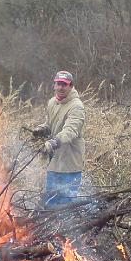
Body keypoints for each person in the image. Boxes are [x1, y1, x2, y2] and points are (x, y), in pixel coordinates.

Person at [32, 70, 86, 207]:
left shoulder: (77, 106)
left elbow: (70, 131)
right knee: (49, 203)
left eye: (64, 84)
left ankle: (71, 228)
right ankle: (49, 228)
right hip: (54, 163)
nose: (61, 87)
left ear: (71, 86)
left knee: (66, 206)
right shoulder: (52, 102)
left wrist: (53, 142)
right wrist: (41, 129)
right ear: (54, 85)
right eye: (58, 84)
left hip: (70, 164)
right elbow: (50, 124)